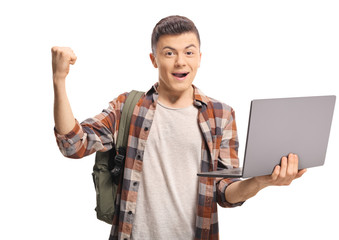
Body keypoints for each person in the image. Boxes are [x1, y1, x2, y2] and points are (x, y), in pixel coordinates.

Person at [52, 15, 306, 240]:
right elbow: (73, 144)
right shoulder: (127, 107)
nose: (180, 62)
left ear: (200, 57)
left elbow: (225, 191)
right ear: (154, 59)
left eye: (189, 52)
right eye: (169, 53)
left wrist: (262, 181)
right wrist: (59, 80)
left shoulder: (221, 115)